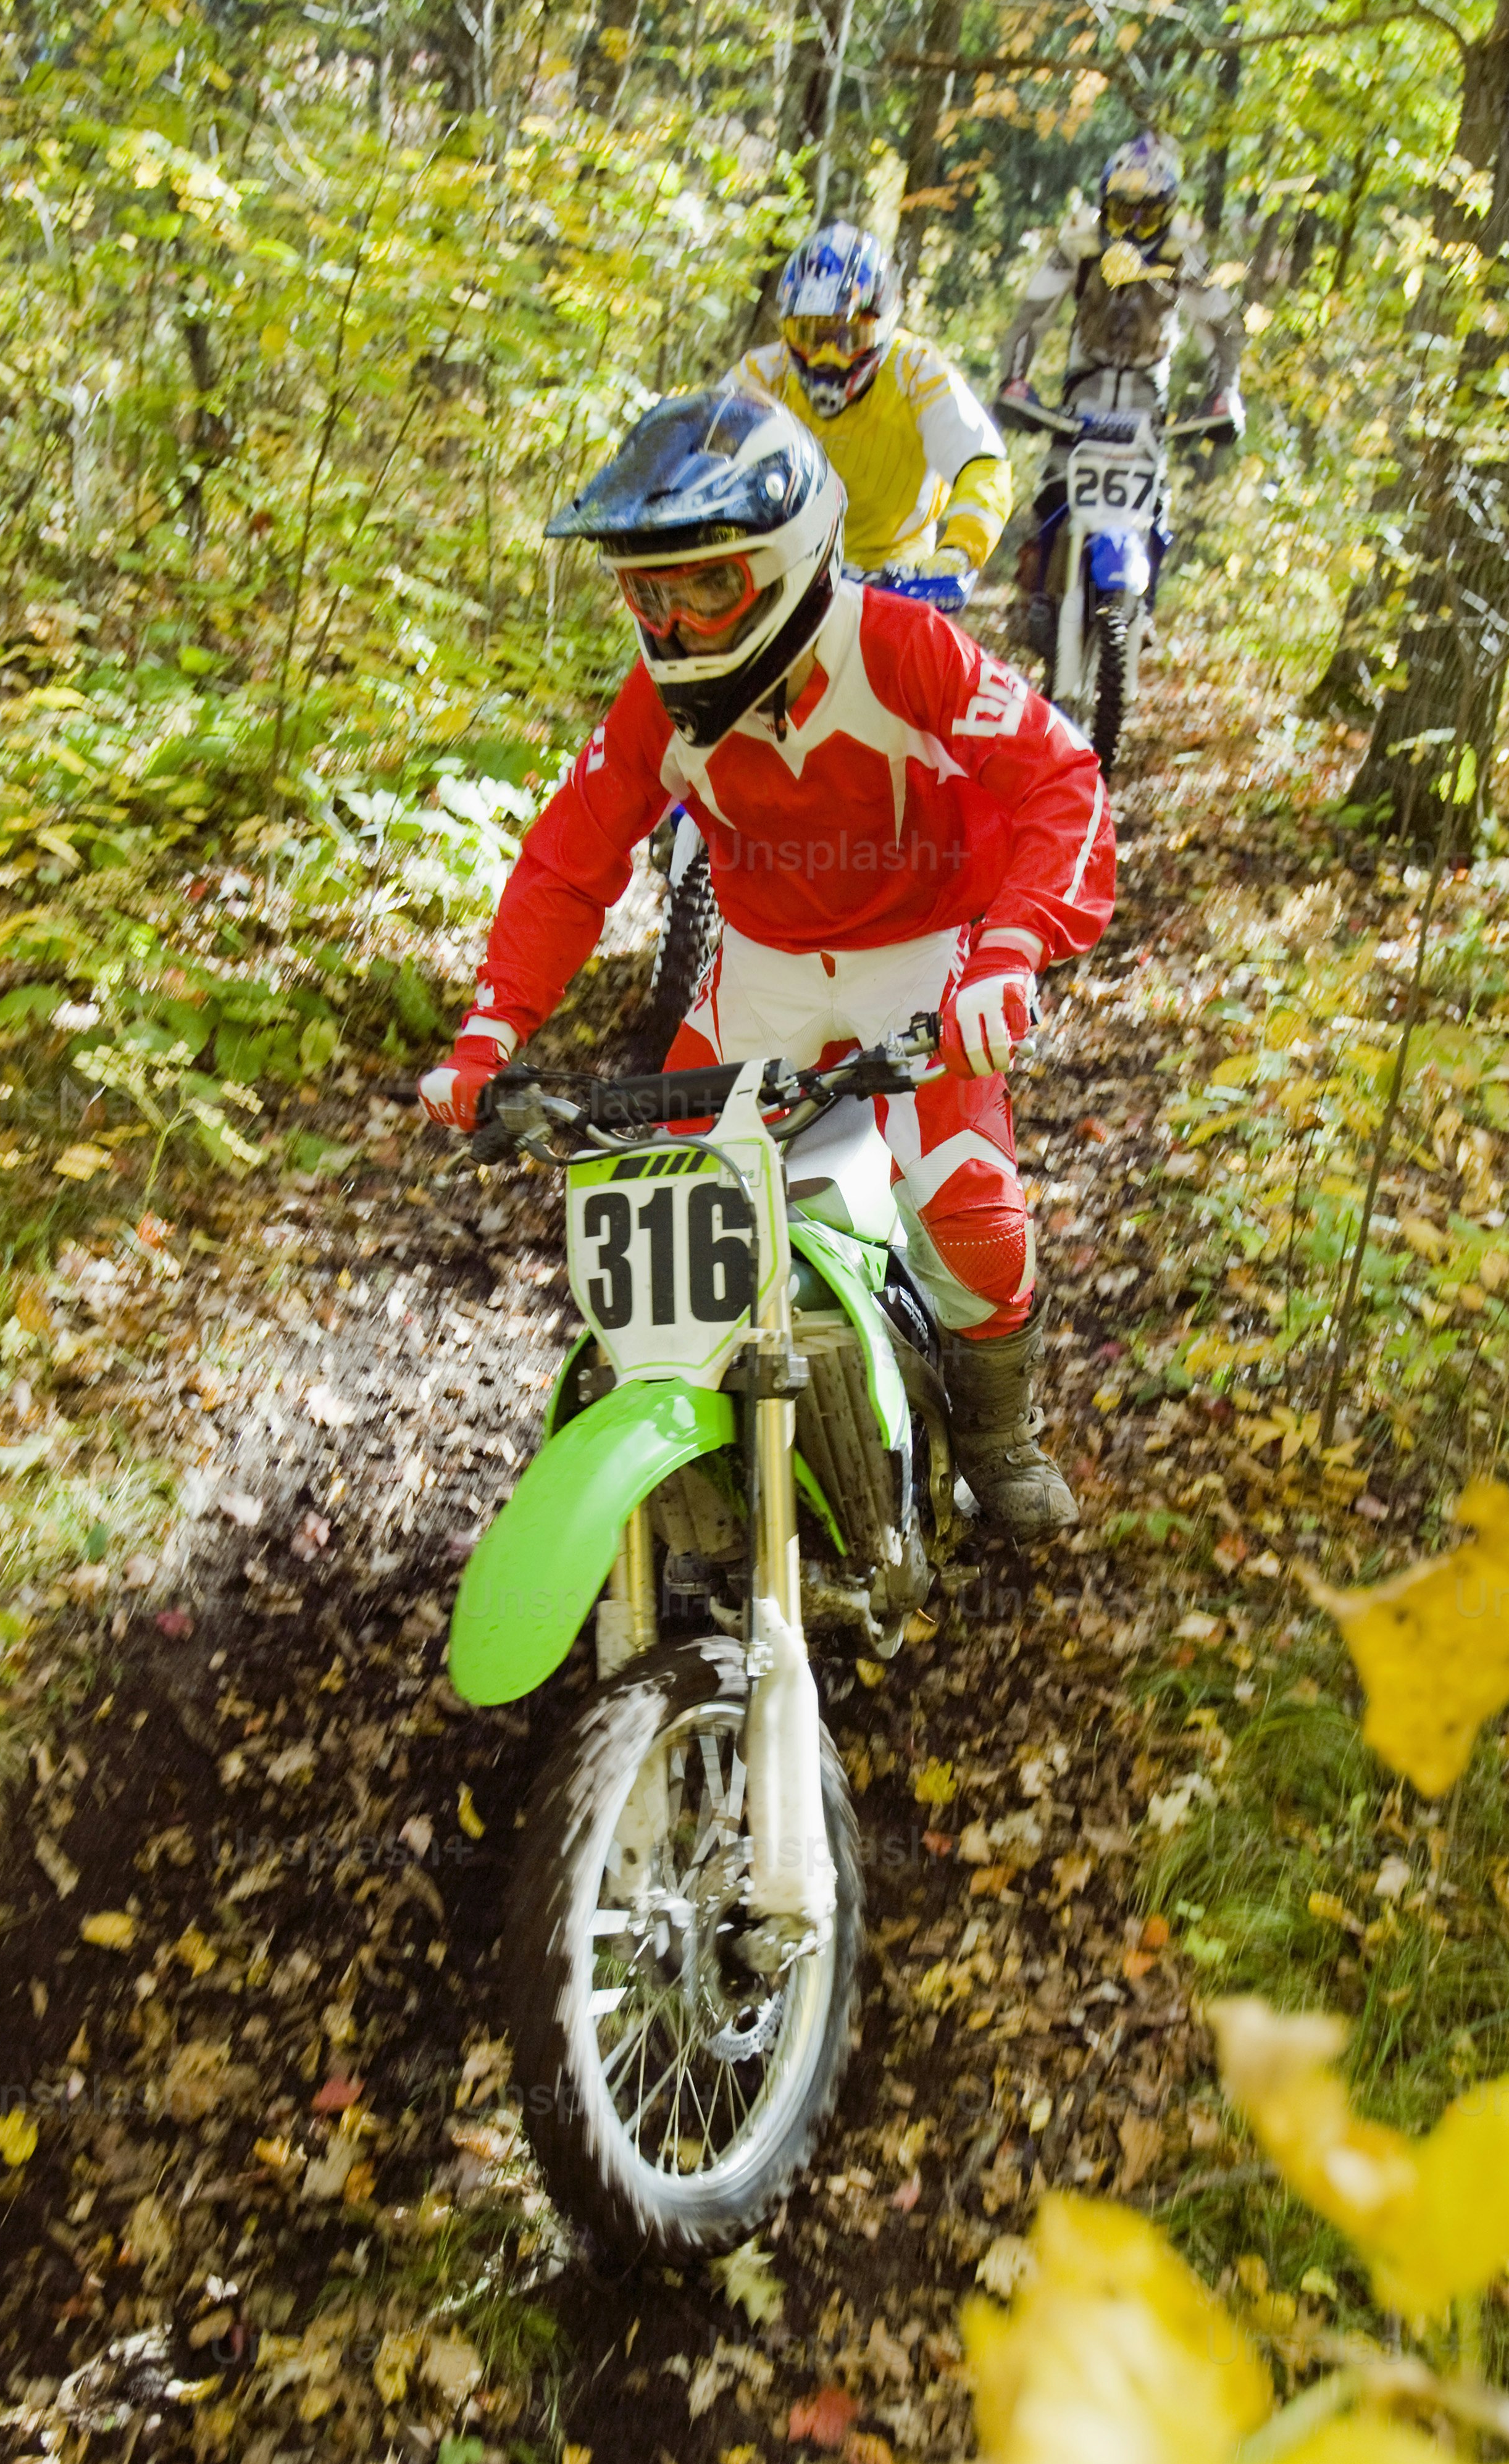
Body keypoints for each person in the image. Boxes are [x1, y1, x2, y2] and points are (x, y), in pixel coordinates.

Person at [417, 386, 1114, 1538]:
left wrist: (1010, 950)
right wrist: (491, 1029)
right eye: (651, 593)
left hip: (923, 957)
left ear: (786, 561)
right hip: (761, 967)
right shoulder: (659, 704)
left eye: (707, 586)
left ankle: (999, 1437)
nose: (678, 621)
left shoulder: (897, 648)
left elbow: (1059, 777)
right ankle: (675, 1440)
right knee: (667, 1204)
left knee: (977, 1215)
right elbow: (567, 857)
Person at [734, 222, 1012, 599]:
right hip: (790, 567)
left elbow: (983, 461)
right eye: (810, 336)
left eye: (847, 338)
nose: (826, 358)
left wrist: (959, 551)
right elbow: (698, 451)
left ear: (882, 328)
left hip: (898, 574)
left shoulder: (917, 372)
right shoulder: (762, 374)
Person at [997, 130, 1243, 425]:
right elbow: (1033, 313)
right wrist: (1013, 380)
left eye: (1147, 218)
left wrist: (1223, 395)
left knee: (1149, 467)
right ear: (1104, 207)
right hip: (1084, 382)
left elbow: (1225, 325)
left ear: (1168, 214)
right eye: (1123, 215)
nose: (1132, 232)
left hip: (1147, 393)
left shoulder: (1183, 252)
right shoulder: (1081, 243)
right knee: (1058, 469)